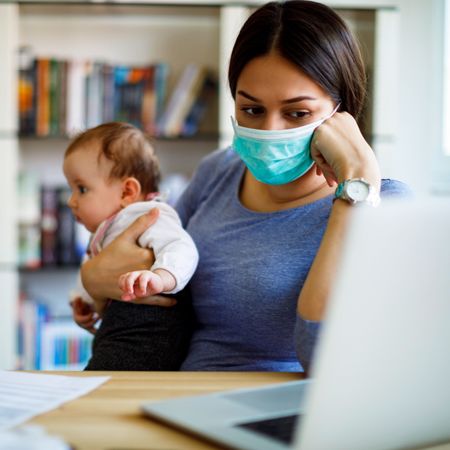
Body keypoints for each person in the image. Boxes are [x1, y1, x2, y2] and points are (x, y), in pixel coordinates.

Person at [77, 1, 411, 372]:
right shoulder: (218, 172)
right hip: (175, 396)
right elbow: (130, 266)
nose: (269, 130)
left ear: (341, 111)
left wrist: (358, 183)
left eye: (297, 113)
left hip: (281, 415)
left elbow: (324, 359)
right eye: (251, 109)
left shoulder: (385, 205)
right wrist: (91, 278)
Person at [63, 122, 199, 370]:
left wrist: (162, 277)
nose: (71, 201)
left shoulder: (148, 215)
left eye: (82, 189)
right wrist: (84, 300)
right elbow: (96, 267)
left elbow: (182, 247)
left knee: (100, 387)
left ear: (127, 191)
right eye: (71, 189)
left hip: (150, 333)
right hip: (119, 331)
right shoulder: (108, 228)